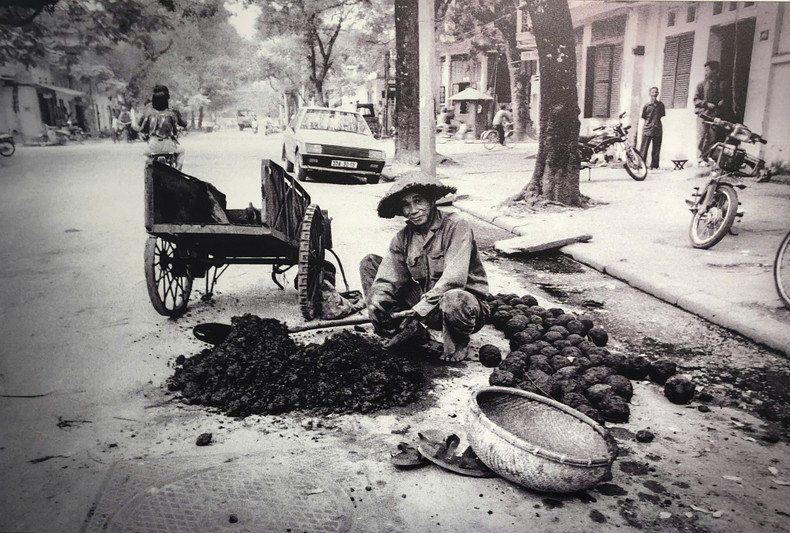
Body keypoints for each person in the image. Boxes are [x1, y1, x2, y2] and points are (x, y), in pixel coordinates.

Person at [359, 172, 490, 362]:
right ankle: (408, 330)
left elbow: (454, 280)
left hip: (463, 307)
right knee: (369, 264)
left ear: (431, 200)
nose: (413, 210)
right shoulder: (402, 237)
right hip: (426, 304)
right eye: (406, 204)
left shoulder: (457, 226)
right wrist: (378, 296)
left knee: (453, 297)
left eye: (418, 201)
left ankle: (460, 340)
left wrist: (419, 309)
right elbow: (388, 276)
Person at [138, 85, 187, 170]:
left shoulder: (148, 109)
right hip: (168, 143)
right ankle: (178, 171)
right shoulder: (172, 110)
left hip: (153, 143)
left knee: (146, 155)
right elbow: (181, 125)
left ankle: (149, 170)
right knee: (180, 151)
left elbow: (140, 125)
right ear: (167, 96)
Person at [693, 60, 730, 163]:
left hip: (715, 115)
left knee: (711, 137)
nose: (705, 72)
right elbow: (695, 100)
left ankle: (705, 157)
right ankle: (699, 158)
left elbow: (727, 98)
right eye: (705, 70)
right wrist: (706, 104)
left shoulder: (722, 84)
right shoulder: (701, 85)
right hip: (703, 114)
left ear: (714, 71)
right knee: (701, 136)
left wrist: (723, 101)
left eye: (707, 70)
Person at [640, 87, 665, 170]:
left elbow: (661, 115)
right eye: (653, 92)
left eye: (656, 92)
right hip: (648, 128)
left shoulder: (661, 105)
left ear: (658, 94)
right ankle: (642, 164)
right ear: (649, 94)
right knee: (644, 147)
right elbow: (644, 116)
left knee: (656, 148)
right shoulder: (646, 105)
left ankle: (654, 165)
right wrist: (650, 123)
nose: (654, 94)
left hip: (657, 128)